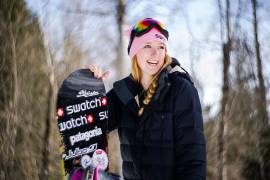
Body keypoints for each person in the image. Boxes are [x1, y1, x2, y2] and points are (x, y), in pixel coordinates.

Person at [89, 18, 206, 180]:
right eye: (147, 46)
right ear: (134, 52)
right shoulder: (123, 93)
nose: (155, 53)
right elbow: (91, 125)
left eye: (161, 47)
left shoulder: (180, 89)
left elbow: (193, 161)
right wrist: (90, 91)